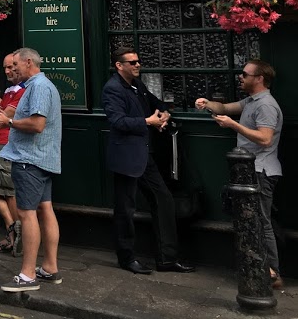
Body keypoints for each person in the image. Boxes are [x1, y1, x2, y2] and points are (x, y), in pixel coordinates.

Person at [102, 47, 193, 275]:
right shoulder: (113, 89)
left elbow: (157, 104)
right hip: (126, 157)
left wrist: (163, 115)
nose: (137, 65)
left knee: (164, 200)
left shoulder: (137, 85)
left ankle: (167, 259)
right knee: (125, 208)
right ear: (119, 65)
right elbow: (118, 121)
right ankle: (127, 258)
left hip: (145, 155)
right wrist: (147, 122)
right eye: (131, 62)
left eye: (138, 61)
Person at [196, 59, 283, 288]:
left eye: (245, 74)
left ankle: (272, 272)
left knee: (262, 222)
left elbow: (265, 138)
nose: (240, 77)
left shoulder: (266, 105)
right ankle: (264, 268)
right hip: (249, 170)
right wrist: (207, 104)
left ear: (259, 79)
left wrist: (233, 126)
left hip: (261, 169)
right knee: (254, 220)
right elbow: (225, 108)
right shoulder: (252, 101)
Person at [0, 48, 62, 292]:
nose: (12, 68)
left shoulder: (38, 87)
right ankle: (50, 267)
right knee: (45, 209)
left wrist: (7, 121)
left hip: (30, 159)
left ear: (29, 62)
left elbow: (37, 124)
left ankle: (28, 275)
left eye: (15, 64)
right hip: (43, 158)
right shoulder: (41, 85)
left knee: (27, 214)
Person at [0, 53, 26, 255]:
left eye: (11, 67)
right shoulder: (9, 91)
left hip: (9, 143)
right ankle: (12, 227)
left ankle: (19, 237)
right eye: (5, 67)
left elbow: (3, 114)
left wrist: (0, 113)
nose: (8, 71)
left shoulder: (25, 90)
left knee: (9, 193)